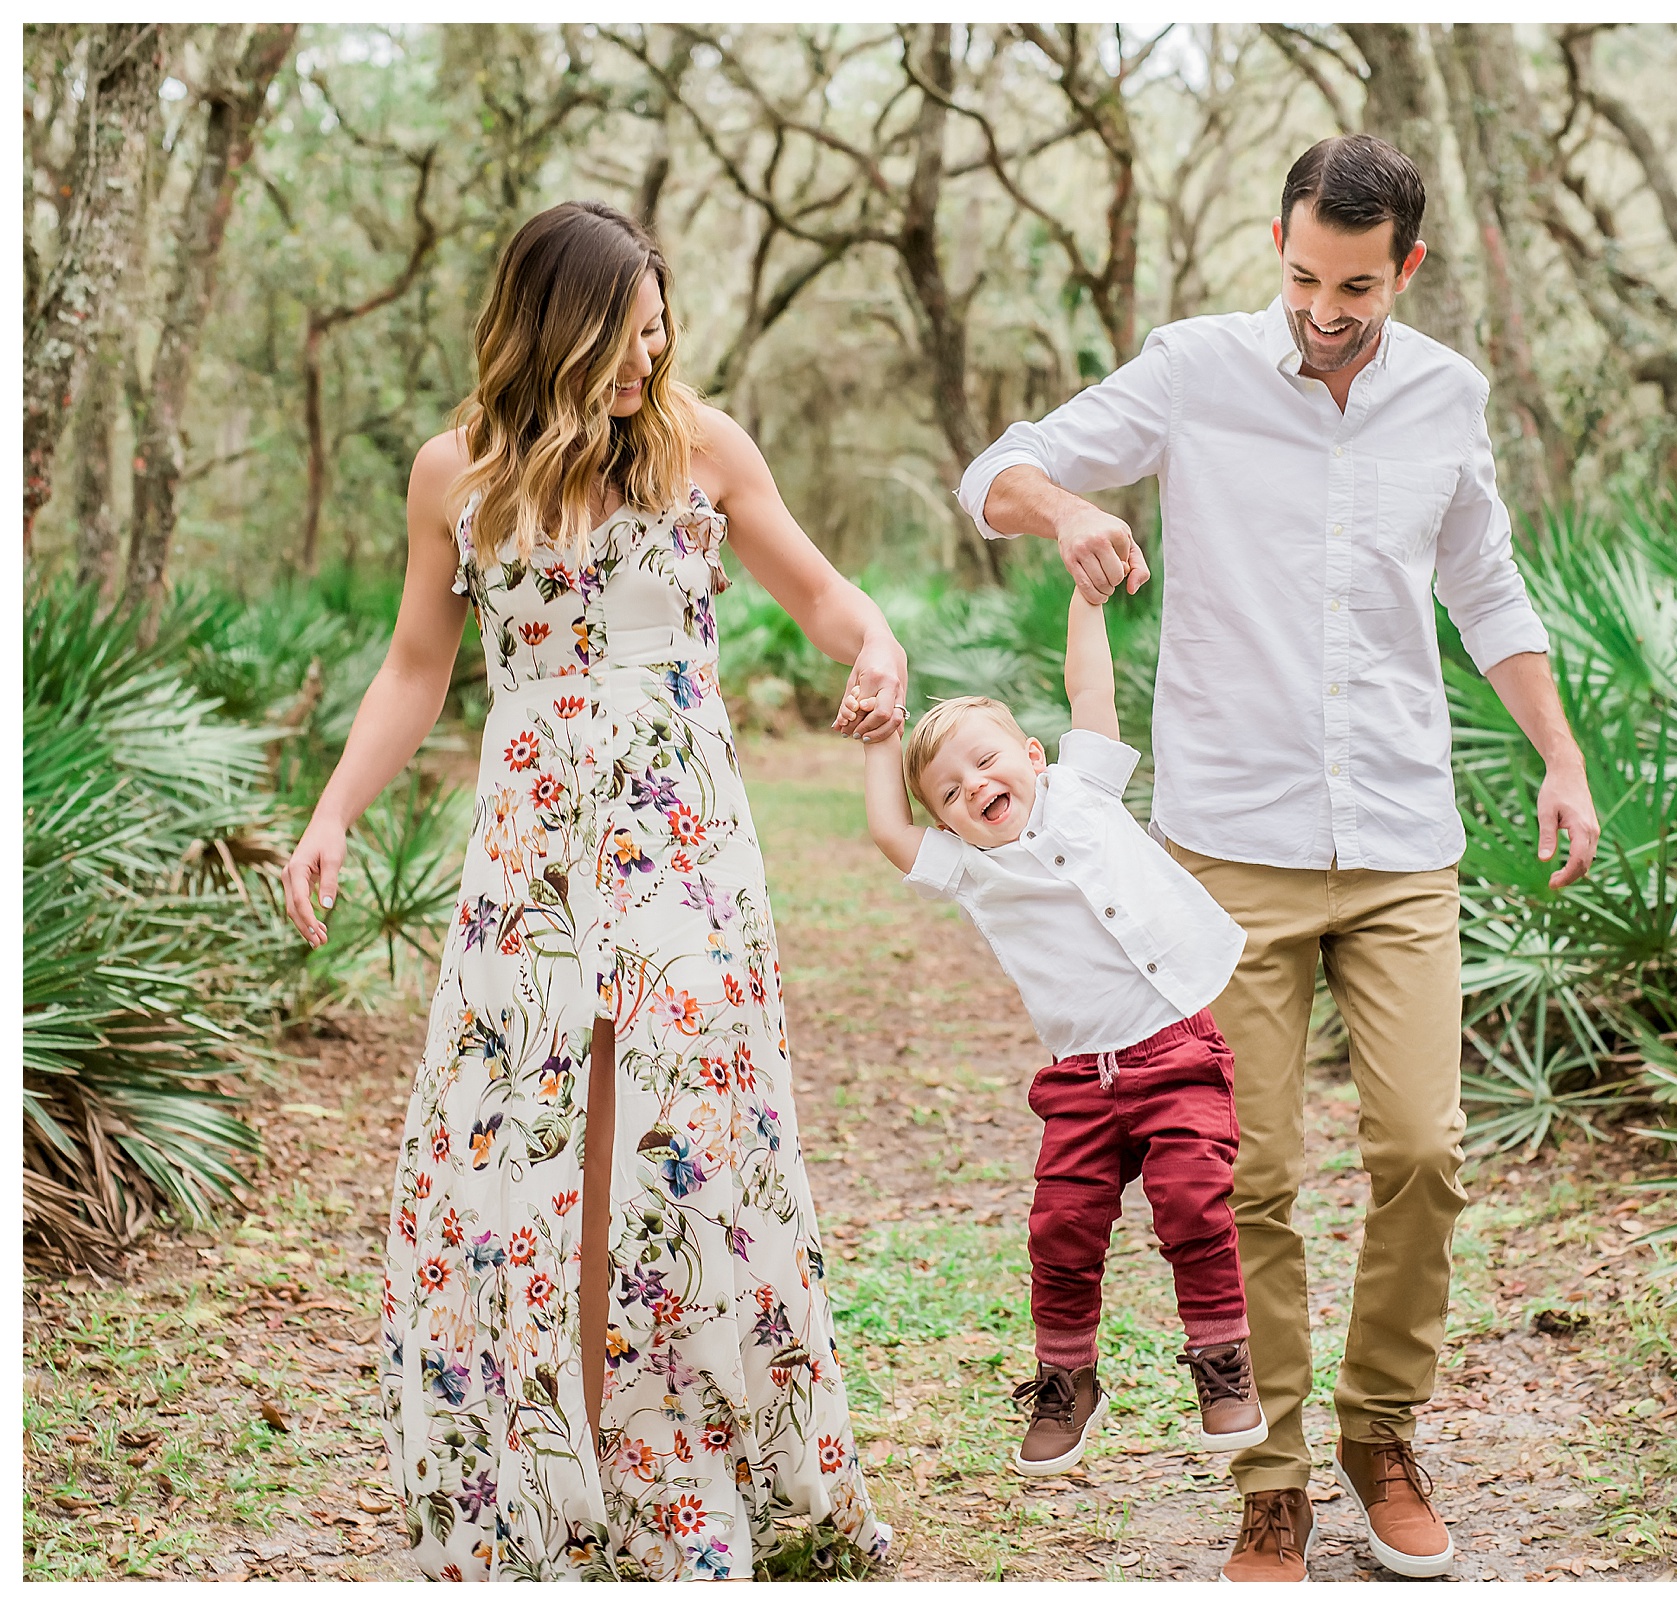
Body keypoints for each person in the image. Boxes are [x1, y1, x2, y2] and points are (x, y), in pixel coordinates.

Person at [955, 135, 1602, 1581]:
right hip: (1226, 852)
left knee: (1425, 1154)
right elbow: (1000, 470)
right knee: (1242, 1173)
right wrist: (1066, 509)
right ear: (1279, 243)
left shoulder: (1446, 396)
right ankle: (1274, 1480)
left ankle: (1380, 1435)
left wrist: (1560, 756)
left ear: (1406, 270)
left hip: (1397, 839)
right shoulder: (1193, 368)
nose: (1326, 307)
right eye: (1306, 275)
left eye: (1357, 286)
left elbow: (1485, 583)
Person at [281, 201, 907, 1581]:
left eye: (662, 326)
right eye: (628, 334)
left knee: (687, 1140)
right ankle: (565, 1472)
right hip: (535, 854)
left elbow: (822, 595)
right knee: (545, 1150)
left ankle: (690, 1471)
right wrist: (333, 812)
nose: (653, 353)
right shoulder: (459, 473)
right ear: (557, 330)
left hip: (682, 837)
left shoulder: (702, 447)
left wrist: (882, 648)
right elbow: (412, 666)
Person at [846, 589, 1265, 1478]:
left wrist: (1083, 600)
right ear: (947, 821)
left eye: (988, 764)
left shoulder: (1085, 788)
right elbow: (888, 827)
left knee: (1194, 1201)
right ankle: (1067, 1378)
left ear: (1032, 755)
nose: (977, 789)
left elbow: (1089, 688)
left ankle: (1223, 1363)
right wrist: (884, 732)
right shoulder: (972, 870)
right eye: (952, 793)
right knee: (1062, 1227)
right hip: (1080, 1078)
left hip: (1178, 1044)